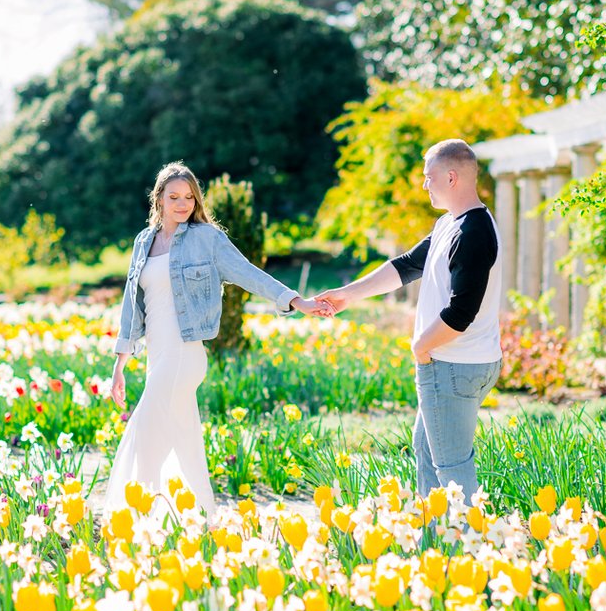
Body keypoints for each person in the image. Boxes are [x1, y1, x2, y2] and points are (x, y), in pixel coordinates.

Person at [105, 162, 333, 516]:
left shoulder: (207, 239)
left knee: (146, 429)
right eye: (174, 197)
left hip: (185, 355)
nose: (183, 204)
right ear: (159, 199)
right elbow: (132, 306)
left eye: (190, 198)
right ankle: (200, 517)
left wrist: (295, 301)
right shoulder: (143, 242)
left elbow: (247, 273)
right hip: (157, 356)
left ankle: (137, 520)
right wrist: (120, 364)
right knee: (185, 439)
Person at [316, 139, 502, 505]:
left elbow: (461, 312)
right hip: (452, 363)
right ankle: (436, 552)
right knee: (427, 451)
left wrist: (421, 348)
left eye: (428, 177)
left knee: (451, 471)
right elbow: (407, 265)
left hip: (453, 365)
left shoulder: (473, 232)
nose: (424, 184)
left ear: (451, 177)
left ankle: (471, 555)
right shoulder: (452, 223)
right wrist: (347, 295)